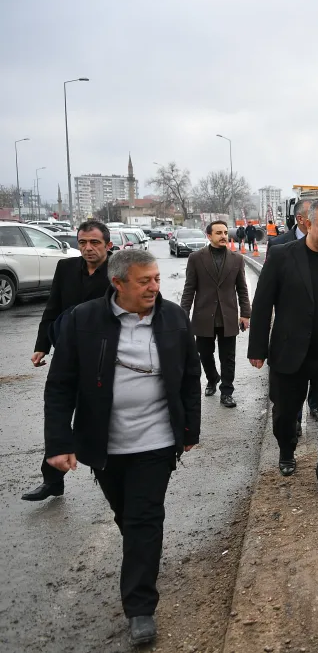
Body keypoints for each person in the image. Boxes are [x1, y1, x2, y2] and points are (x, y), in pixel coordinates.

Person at [44, 249, 201, 646]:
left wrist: (189, 429)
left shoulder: (173, 319)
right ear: (118, 283)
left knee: (144, 519)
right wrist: (59, 442)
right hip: (105, 445)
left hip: (157, 441)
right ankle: (140, 558)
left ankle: (140, 608)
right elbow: (60, 386)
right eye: (144, 281)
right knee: (127, 515)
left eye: (157, 279)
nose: (154, 287)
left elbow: (188, 376)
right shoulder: (84, 320)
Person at [248, 200, 318, 504]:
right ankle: (287, 450)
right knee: (285, 414)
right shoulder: (283, 256)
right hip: (290, 354)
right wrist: (258, 347)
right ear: (307, 225)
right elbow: (262, 304)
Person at [23, 220, 113, 502]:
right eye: (82, 242)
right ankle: (52, 480)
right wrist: (42, 346)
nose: (87, 248)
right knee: (58, 414)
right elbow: (53, 308)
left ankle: (113, 474)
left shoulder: (118, 272)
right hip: (67, 354)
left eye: (94, 243)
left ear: (108, 246)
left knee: (99, 416)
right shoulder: (65, 268)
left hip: (101, 359)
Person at [180, 220, 252, 409]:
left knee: (228, 357)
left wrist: (246, 313)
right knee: (204, 353)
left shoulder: (236, 259)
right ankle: (212, 379)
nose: (223, 236)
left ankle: (227, 391)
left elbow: (242, 289)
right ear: (209, 235)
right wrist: (182, 315)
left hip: (228, 315)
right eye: (218, 232)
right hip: (204, 315)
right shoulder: (196, 258)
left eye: (225, 232)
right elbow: (189, 289)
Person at [265, 200, 318, 425]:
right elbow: (267, 293)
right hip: (291, 331)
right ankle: (293, 420)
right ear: (301, 219)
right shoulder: (278, 245)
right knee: (290, 388)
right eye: (314, 219)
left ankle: (315, 406)